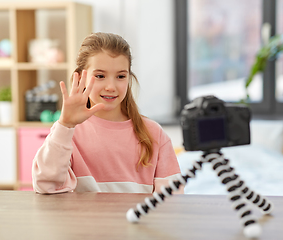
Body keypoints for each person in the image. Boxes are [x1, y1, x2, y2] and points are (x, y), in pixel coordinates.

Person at [32, 32, 183, 194]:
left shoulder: (154, 134)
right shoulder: (67, 132)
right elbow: (45, 186)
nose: (111, 86)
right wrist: (65, 125)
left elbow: (171, 200)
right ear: (80, 77)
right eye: (100, 76)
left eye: (120, 76)